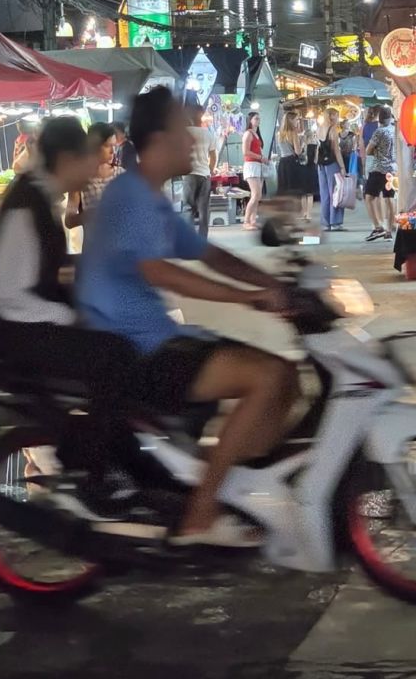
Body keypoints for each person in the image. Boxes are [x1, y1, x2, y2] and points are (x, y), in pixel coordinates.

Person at [78, 87, 301, 548]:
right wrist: (250, 296)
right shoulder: (131, 197)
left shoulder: (150, 197)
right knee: (268, 376)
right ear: (159, 139)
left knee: (288, 378)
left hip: (158, 337)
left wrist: (274, 282)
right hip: (134, 351)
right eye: (185, 130)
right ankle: (202, 514)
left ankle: (234, 491)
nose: (195, 140)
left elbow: (206, 252)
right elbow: (162, 272)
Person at [0, 116, 136, 417]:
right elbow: (9, 295)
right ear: (67, 160)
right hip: (22, 336)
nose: (92, 168)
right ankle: (100, 448)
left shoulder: (41, 197)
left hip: (31, 327)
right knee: (117, 355)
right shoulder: (27, 206)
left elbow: (47, 271)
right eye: (85, 159)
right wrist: (70, 314)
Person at [66, 122, 122, 232]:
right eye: (107, 146)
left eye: (114, 146)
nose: (112, 151)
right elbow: (69, 221)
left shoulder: (120, 174)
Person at [364, 106, 398, 242]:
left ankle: (378, 227)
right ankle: (389, 230)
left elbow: (368, 150)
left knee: (369, 197)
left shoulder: (379, 132)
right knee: (390, 199)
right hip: (392, 169)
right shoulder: (395, 131)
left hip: (379, 169)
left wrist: (377, 152)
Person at [183, 104, 216, 238]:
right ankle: (202, 240)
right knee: (204, 210)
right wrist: (211, 169)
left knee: (188, 208)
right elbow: (213, 155)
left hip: (190, 175)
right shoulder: (208, 133)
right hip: (204, 174)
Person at [316, 108, 347, 232]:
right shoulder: (332, 130)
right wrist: (342, 167)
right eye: (336, 116)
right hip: (332, 164)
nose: (337, 119)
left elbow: (318, 148)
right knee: (335, 192)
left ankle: (326, 222)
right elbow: (336, 150)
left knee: (324, 193)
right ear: (332, 116)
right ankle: (335, 221)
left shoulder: (319, 129)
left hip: (321, 165)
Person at [241, 111, 266, 231]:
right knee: (255, 194)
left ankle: (253, 220)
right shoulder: (248, 134)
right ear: (250, 120)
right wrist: (260, 157)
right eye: (256, 119)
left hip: (258, 165)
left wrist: (262, 158)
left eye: (259, 118)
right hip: (251, 165)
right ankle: (246, 221)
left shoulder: (256, 134)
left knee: (258, 195)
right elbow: (245, 152)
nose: (258, 120)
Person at [301, 119, 319, 220]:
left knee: (303, 193)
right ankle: (309, 214)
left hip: (303, 169)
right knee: (310, 193)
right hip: (312, 169)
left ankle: (304, 212)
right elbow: (316, 160)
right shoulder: (316, 145)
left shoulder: (303, 145)